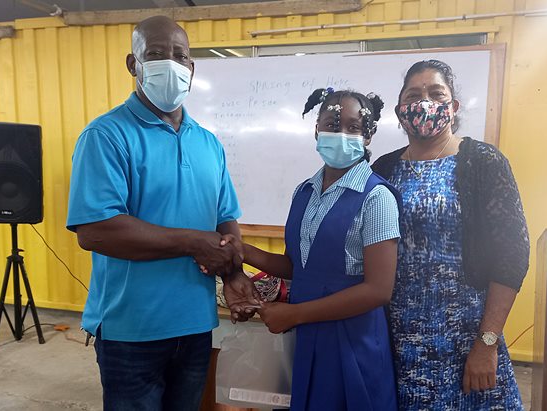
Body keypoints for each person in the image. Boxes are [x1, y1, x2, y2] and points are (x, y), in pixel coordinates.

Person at [66, 16, 258, 411]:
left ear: (191, 68)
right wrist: (194, 242)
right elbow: (96, 230)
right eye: (155, 53)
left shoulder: (208, 143)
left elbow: (225, 219)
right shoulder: (106, 136)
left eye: (179, 55)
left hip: (196, 323)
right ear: (132, 64)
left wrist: (234, 274)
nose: (170, 63)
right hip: (131, 330)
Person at [227, 88, 401, 411]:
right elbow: (298, 266)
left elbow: (378, 290)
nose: (341, 134)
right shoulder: (304, 192)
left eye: (353, 127)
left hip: (354, 338)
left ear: (368, 135)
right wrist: (242, 250)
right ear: (317, 130)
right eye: (332, 124)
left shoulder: (377, 198)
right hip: (309, 334)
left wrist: (294, 314)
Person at [371, 59, 530, 410]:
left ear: (453, 106)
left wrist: (487, 343)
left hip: (467, 337)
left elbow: (512, 256)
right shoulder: (384, 168)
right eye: (413, 95)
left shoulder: (483, 161)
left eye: (436, 93)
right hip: (399, 339)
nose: (424, 102)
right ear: (400, 111)